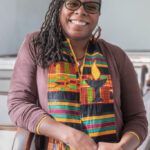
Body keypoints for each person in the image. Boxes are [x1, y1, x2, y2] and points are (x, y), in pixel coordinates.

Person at [7, 0, 148, 149]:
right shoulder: (36, 45)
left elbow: (137, 119)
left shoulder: (117, 55)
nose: (81, 11)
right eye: (73, 3)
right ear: (59, 7)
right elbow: (18, 105)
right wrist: (69, 135)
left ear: (99, 14)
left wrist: (123, 147)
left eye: (91, 6)